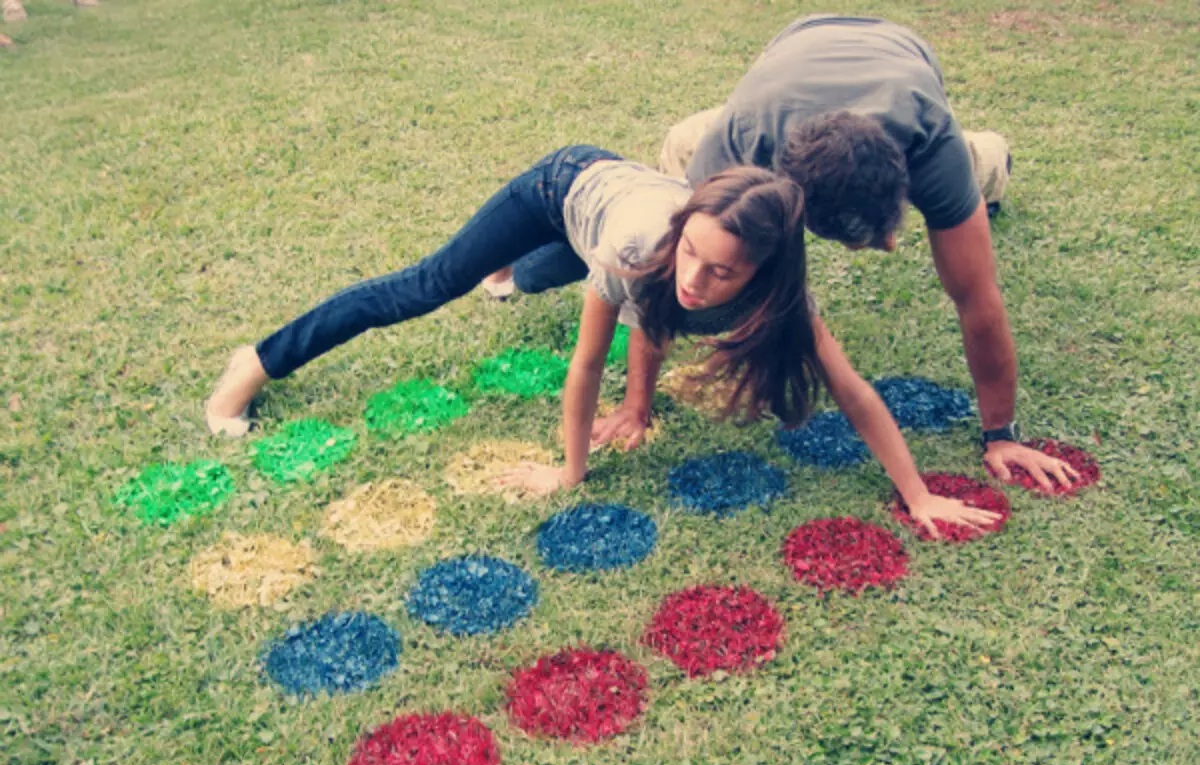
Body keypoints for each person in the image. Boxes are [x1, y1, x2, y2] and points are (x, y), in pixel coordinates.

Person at [205, 145, 1000, 535]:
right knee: (432, 283)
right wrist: (569, 470)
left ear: (762, 272)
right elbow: (589, 363)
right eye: (692, 253)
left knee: (566, 277)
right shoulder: (641, 252)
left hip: (605, 231)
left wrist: (919, 491)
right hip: (564, 187)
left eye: (723, 274)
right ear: (684, 227)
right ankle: (259, 360)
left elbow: (855, 393)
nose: (696, 280)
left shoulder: (785, 298)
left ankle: (516, 273)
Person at [491, 15, 1078, 493]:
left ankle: (993, 159)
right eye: (864, 240)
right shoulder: (745, 139)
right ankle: (535, 261)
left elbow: (977, 298)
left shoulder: (931, 143)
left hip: (904, 61)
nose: (882, 249)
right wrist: (636, 404)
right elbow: (664, 280)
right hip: (795, 53)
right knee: (684, 172)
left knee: (977, 174)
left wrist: (1000, 432)